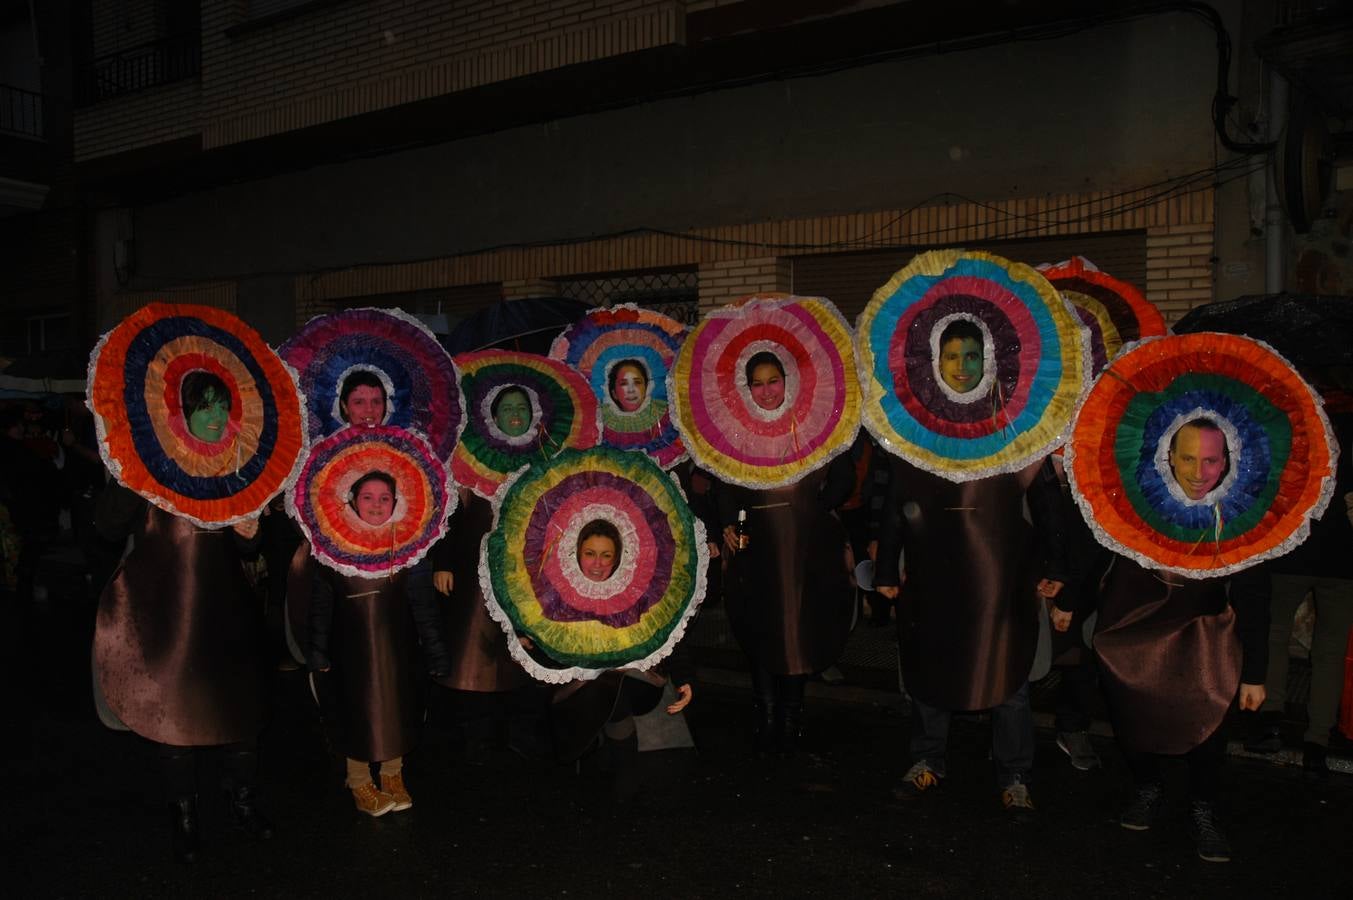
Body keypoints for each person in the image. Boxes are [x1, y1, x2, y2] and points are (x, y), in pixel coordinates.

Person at [874, 320, 1066, 816]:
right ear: (937, 365)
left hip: (1001, 580)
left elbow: (1046, 500)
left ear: (989, 361)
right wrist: (887, 571)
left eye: (971, 356)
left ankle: (1015, 773)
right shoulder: (914, 426)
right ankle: (927, 761)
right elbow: (896, 501)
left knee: (1009, 679)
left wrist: (1056, 563)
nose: (962, 367)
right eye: (952, 357)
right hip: (933, 574)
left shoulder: (1015, 425)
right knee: (929, 670)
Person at [93, 371, 272, 863]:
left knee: (240, 714)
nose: (217, 418)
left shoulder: (237, 467)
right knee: (172, 715)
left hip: (225, 609)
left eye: (222, 407)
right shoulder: (149, 467)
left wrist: (249, 529)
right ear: (180, 415)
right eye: (205, 407)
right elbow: (106, 526)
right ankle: (185, 814)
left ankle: (242, 802)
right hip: (165, 613)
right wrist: (134, 475)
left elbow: (250, 547)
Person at [1096, 417, 1268, 863]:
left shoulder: (1240, 513)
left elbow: (1254, 596)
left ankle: (1203, 808)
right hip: (1137, 638)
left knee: (1209, 732)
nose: (1198, 471)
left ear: (1227, 459)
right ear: (1168, 456)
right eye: (1188, 457)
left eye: (1211, 460)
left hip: (1207, 641)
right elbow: (1100, 556)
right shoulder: (1139, 501)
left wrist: (1254, 673)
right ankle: (1148, 786)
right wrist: (1068, 598)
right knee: (1133, 720)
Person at [718, 351, 855, 756]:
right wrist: (729, 521)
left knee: (796, 627)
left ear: (786, 381)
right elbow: (724, 482)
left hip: (803, 547)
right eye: (757, 383)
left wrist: (815, 508)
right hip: (753, 545)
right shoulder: (736, 430)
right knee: (759, 625)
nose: (766, 391)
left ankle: (792, 714)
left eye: (772, 380)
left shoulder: (813, 421)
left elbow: (844, 473)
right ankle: (766, 711)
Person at [308, 469, 451, 817]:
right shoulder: (333, 548)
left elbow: (423, 607)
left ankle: (392, 774)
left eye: (384, 498)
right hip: (349, 651)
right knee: (354, 711)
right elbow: (321, 605)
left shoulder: (409, 548)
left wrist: (435, 652)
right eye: (368, 497)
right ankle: (357, 778)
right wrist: (318, 650)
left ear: (396, 503)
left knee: (396, 707)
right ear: (353, 502)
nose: (376, 504)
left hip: (397, 651)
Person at [1247, 377, 1353, 777]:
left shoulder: (1292, 433)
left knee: (1274, 634)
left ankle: (1270, 720)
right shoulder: (1347, 434)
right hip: (1342, 561)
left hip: (1292, 553)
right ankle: (1317, 740)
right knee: (1328, 649)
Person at [546, 519, 694, 803]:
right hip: (579, 683)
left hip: (637, 682)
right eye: (590, 553)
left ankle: (626, 768)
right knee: (596, 685)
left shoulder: (637, 591)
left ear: (616, 558)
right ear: (577, 554)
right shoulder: (559, 593)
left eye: (606, 555)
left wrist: (685, 678)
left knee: (610, 685)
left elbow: (671, 635)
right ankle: (600, 750)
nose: (598, 563)